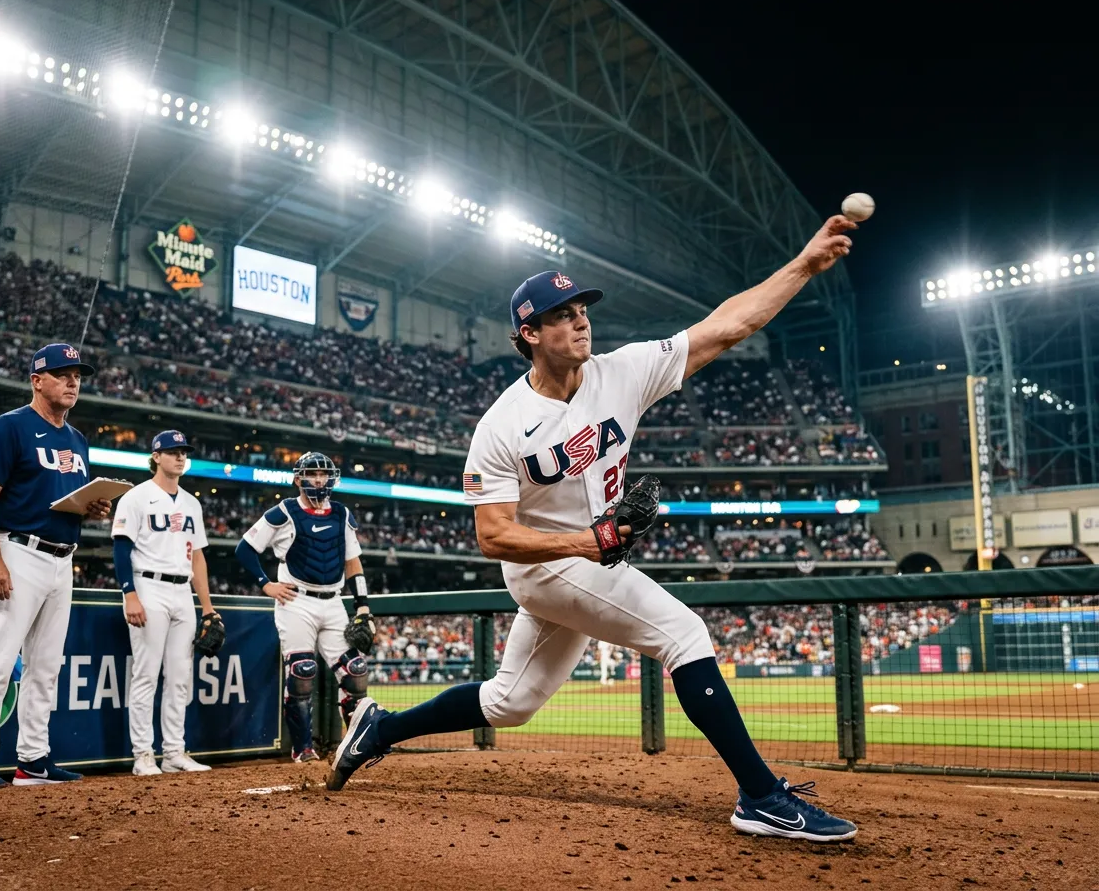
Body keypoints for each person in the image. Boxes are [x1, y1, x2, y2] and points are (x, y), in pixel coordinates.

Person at [325, 216, 861, 843]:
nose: (580, 319)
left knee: (510, 703)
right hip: (545, 564)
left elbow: (729, 325)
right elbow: (493, 537)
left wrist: (803, 263)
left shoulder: (622, 372)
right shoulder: (502, 424)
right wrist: (589, 543)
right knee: (685, 634)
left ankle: (375, 728)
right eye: (561, 314)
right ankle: (761, 797)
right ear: (529, 333)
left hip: (591, 560)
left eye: (581, 307)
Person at [0, 343, 112, 792]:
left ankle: (32, 761)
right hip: (17, 551)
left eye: (78, 376)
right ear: (37, 380)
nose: (72, 382)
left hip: (61, 558)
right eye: (62, 373)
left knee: (46, 666)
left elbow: (58, 496)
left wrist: (91, 506)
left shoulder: (78, 439)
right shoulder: (10, 427)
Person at [234, 452, 376, 763]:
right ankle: (303, 750)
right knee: (302, 672)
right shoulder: (283, 511)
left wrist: (362, 606)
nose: (318, 480)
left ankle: (353, 748)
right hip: (296, 601)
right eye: (311, 474)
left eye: (323, 474)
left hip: (334, 601)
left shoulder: (341, 513)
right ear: (298, 479)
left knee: (356, 672)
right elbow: (244, 549)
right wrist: (265, 584)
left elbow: (354, 563)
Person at [111, 430, 218, 775]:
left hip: (182, 590)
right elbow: (121, 547)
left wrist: (208, 606)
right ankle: (143, 754)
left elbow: (198, 558)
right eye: (172, 452)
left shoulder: (192, 503)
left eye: (183, 452)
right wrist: (129, 593)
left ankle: (174, 752)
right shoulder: (136, 496)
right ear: (156, 456)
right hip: (148, 586)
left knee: (180, 676)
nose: (180, 457)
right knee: (146, 675)